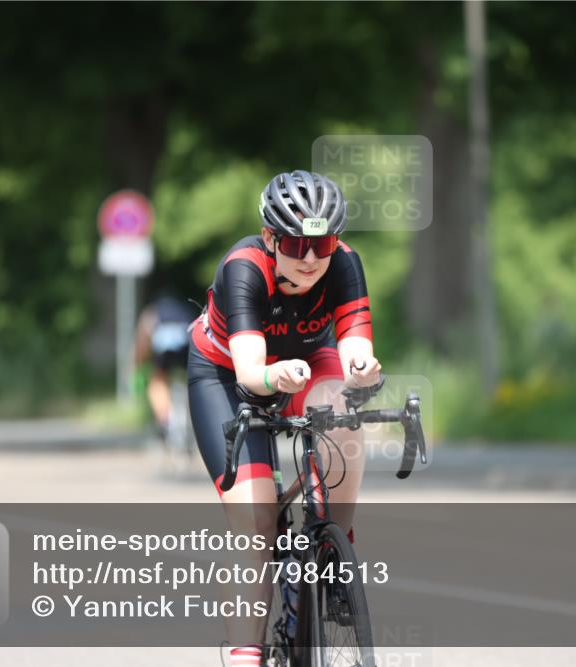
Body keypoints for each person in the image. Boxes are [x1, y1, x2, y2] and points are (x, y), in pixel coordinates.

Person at [187, 170, 380, 665]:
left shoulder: (344, 264)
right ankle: (246, 654)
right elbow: (251, 373)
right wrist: (274, 377)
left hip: (305, 362)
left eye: (324, 242)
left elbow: (355, 342)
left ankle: (336, 540)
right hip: (228, 376)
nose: (312, 257)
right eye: (297, 244)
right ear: (271, 238)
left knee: (343, 408)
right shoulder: (244, 268)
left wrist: (363, 365)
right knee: (256, 523)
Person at [133, 293, 195, 435]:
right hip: (186, 344)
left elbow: (143, 341)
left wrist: (138, 364)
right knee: (192, 378)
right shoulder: (184, 310)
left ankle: (165, 419)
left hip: (164, 347)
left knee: (158, 379)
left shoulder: (152, 312)